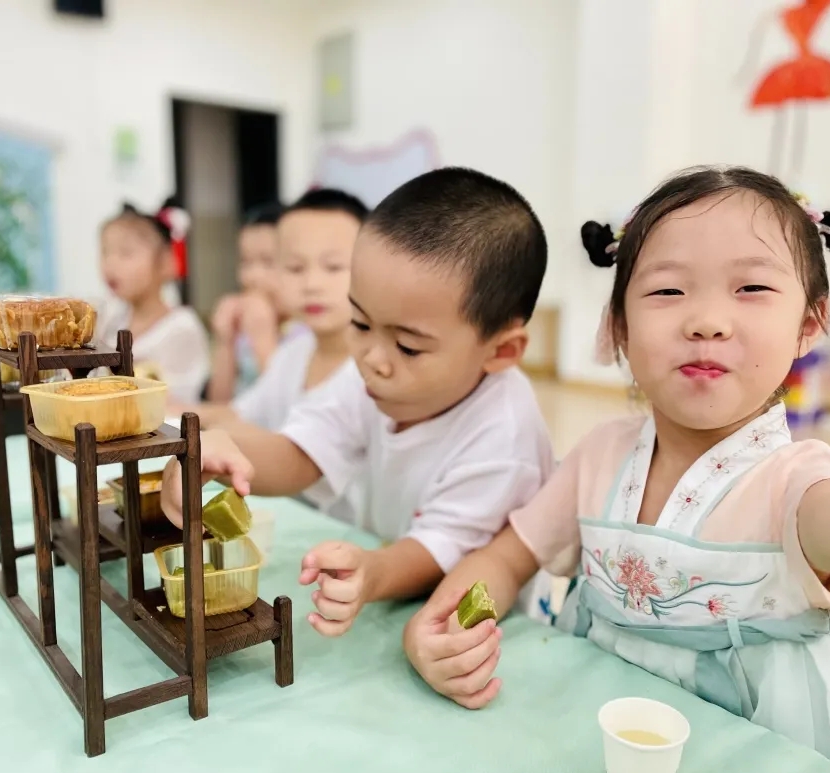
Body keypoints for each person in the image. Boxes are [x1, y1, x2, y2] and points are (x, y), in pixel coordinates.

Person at [402, 165, 830, 773]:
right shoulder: (600, 456)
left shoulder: (796, 487)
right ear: (619, 328)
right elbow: (503, 560)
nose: (707, 321)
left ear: (810, 324)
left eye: (752, 289)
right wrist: (445, 626)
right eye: (667, 292)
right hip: (599, 758)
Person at [160, 167, 556, 638]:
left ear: (501, 351)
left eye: (408, 346)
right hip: (387, 593)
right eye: (361, 323)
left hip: (473, 631)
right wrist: (214, 451)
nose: (372, 358)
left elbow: (439, 550)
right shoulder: (368, 371)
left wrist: (373, 570)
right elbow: (301, 453)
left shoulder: (503, 435)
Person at [186, 188, 369, 523]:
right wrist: (165, 414)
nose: (312, 283)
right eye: (296, 268)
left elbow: (286, 447)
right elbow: (239, 413)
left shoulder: (372, 368)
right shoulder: (296, 352)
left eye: (333, 267)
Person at [95, 203, 209, 403]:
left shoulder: (182, 326)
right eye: (105, 252)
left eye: (125, 253)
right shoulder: (112, 319)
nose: (110, 264)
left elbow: (180, 401)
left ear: (165, 262)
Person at [206, 201, 291, 402]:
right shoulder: (244, 330)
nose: (253, 277)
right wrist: (225, 341)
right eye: (246, 262)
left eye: (268, 262)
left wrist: (262, 335)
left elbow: (287, 404)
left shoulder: (304, 332)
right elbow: (219, 402)